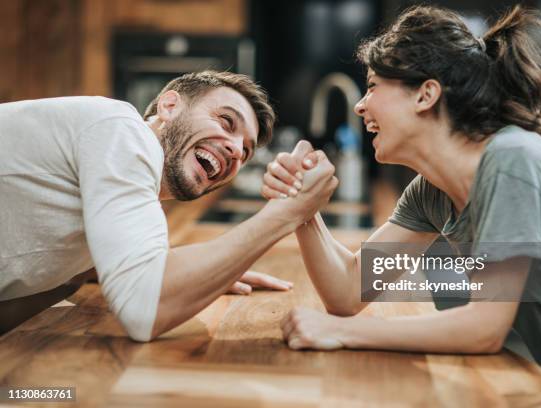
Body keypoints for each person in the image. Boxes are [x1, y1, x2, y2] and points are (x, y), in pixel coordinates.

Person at [261, 5, 541, 400]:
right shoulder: (434, 192)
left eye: (374, 86)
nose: (361, 106)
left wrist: (340, 333)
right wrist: (303, 209)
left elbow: (484, 329)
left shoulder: (513, 160)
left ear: (426, 95)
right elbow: (348, 291)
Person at [0, 70, 338, 342]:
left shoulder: (116, 156)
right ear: (169, 106)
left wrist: (206, 269)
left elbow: (358, 289)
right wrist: (289, 211)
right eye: (225, 121)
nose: (236, 150)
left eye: (246, 152)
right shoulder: (120, 129)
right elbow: (142, 310)